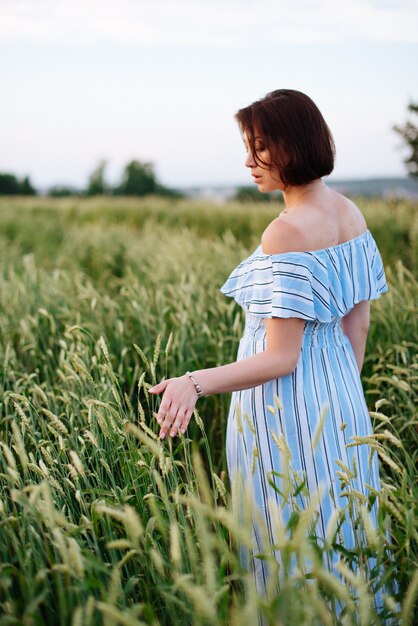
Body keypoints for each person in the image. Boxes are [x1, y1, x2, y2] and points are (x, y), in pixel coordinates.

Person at [149, 89, 388, 613]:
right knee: (341, 534)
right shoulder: (349, 212)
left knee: (283, 543)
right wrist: (342, 396)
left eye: (261, 147)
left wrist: (194, 382)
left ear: (292, 146)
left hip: (284, 408)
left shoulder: (285, 232)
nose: (249, 161)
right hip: (342, 402)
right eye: (248, 146)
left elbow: (282, 357)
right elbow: (359, 322)